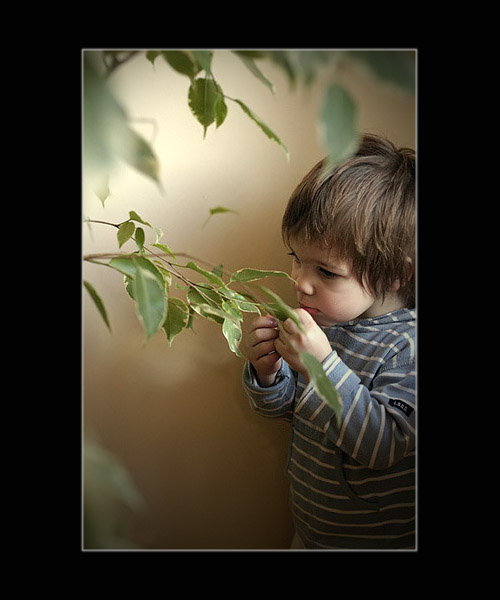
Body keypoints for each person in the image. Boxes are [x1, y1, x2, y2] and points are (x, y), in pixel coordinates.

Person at [239, 133, 416, 550]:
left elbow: (384, 445)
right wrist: (269, 373)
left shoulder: (406, 346)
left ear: (395, 275)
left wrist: (320, 365)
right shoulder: (328, 322)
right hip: (310, 529)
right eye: (296, 259)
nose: (300, 282)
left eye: (327, 272)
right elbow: (291, 412)